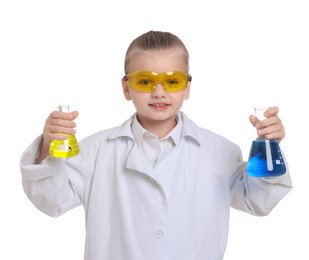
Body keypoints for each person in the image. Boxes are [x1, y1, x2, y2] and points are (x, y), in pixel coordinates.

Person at [20, 30, 292, 260]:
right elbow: (51, 202)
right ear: (126, 88)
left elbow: (258, 202)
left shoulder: (220, 151)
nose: (159, 91)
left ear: (187, 87)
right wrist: (47, 144)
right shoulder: (96, 150)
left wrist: (271, 148)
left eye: (172, 81)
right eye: (145, 81)